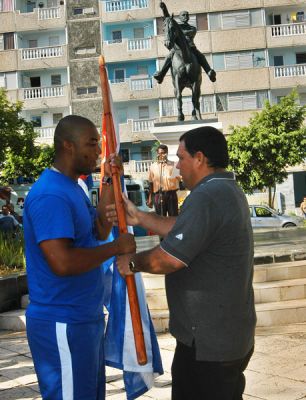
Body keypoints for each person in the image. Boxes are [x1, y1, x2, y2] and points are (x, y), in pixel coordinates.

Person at [109, 126, 256, 400]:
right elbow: (184, 227)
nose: (177, 168)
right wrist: (140, 217)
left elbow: (168, 259)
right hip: (226, 335)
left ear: (200, 158)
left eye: (181, 158)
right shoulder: (224, 188)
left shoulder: (207, 196)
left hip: (209, 342)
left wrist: (132, 263)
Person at [23, 115, 136, 400]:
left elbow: (99, 230)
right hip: (62, 321)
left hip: (84, 318)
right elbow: (62, 262)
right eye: (92, 143)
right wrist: (115, 248)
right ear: (68, 145)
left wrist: (109, 179)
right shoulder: (51, 194)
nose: (98, 151)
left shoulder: (73, 187)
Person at [154, 6, 216, 84]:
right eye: (183, 15)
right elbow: (168, 18)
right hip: (178, 49)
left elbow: (188, 33)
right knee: (169, 56)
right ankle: (161, 74)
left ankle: (209, 72)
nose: (185, 16)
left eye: (187, 15)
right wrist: (164, 8)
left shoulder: (192, 28)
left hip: (191, 47)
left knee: (200, 56)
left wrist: (178, 31)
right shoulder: (177, 26)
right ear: (179, 17)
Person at [147, 144, 180, 217]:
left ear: (167, 153)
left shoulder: (174, 165)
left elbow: (180, 180)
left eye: (164, 153)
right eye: (160, 153)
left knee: (173, 218)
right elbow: (151, 183)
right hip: (158, 195)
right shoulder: (153, 167)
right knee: (160, 219)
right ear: (157, 154)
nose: (162, 155)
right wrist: (150, 198)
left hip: (171, 194)